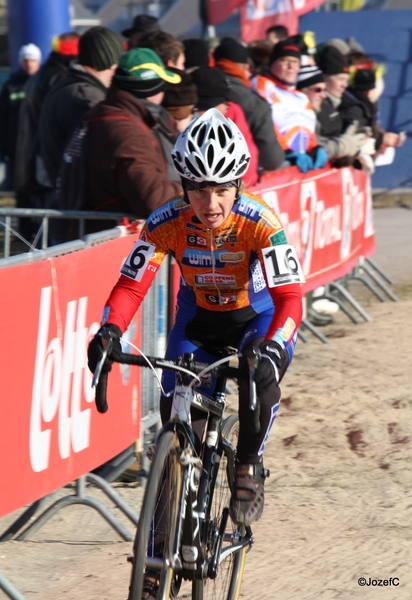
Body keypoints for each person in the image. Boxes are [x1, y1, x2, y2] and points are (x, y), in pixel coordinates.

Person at [87, 109, 303, 540]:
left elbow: (290, 298)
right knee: (177, 429)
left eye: (222, 190)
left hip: (255, 322)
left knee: (259, 384)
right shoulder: (166, 222)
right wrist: (109, 330)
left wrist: (275, 347)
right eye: (199, 191)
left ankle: (248, 464)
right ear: (183, 186)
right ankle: (157, 553)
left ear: (238, 184)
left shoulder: (261, 224)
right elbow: (131, 286)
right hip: (198, 322)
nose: (211, 204)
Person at [82, 47, 182, 229]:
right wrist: (195, 190)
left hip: (92, 234)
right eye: (162, 87)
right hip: (111, 243)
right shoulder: (127, 130)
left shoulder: (99, 114)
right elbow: (153, 198)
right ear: (151, 90)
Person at [38, 26, 124, 189]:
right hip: (79, 201)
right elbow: (91, 157)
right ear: (110, 62)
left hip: (65, 195)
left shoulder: (68, 86)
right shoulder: (85, 99)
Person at [251, 38, 328, 174]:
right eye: (285, 61)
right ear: (272, 63)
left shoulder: (301, 97)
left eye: (295, 62)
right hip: (276, 168)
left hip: (298, 173)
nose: (291, 66)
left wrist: (315, 147)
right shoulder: (262, 84)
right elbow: (266, 123)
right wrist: (286, 151)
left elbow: (309, 131)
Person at [213, 38, 285, 173]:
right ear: (246, 67)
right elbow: (272, 160)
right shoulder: (255, 104)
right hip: (244, 180)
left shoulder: (198, 92)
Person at [190, 66, 260, 186]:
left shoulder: (225, 120)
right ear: (210, 104)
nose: (227, 108)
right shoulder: (186, 132)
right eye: (225, 103)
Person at [0, 43, 41, 190]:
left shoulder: (44, 84)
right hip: (15, 148)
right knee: (20, 188)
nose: (29, 64)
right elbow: (3, 119)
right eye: (25, 60)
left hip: (38, 147)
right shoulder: (11, 86)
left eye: (32, 60)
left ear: (38, 62)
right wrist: (5, 148)